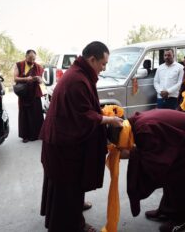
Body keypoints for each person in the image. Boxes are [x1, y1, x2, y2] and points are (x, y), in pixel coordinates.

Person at [39, 41, 123, 232]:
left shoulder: (80, 73)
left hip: (62, 138)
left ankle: (76, 204)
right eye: (103, 64)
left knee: (70, 184)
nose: (103, 68)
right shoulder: (77, 79)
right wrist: (109, 120)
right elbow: (83, 115)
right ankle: (73, 224)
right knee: (68, 185)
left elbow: (84, 106)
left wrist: (101, 112)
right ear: (92, 59)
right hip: (62, 143)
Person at [108, 109, 185, 232]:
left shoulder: (144, 130)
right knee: (170, 175)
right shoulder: (134, 123)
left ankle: (180, 220)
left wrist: (130, 154)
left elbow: (155, 163)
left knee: (184, 179)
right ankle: (166, 210)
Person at [14, 49, 44, 143]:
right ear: (26, 57)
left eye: (34, 59)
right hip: (24, 93)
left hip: (35, 93)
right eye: (30, 58)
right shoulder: (19, 65)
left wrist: (39, 79)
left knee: (36, 114)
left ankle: (37, 134)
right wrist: (26, 79)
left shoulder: (38, 67)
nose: (32, 61)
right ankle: (25, 136)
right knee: (25, 115)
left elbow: (41, 81)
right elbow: (15, 78)